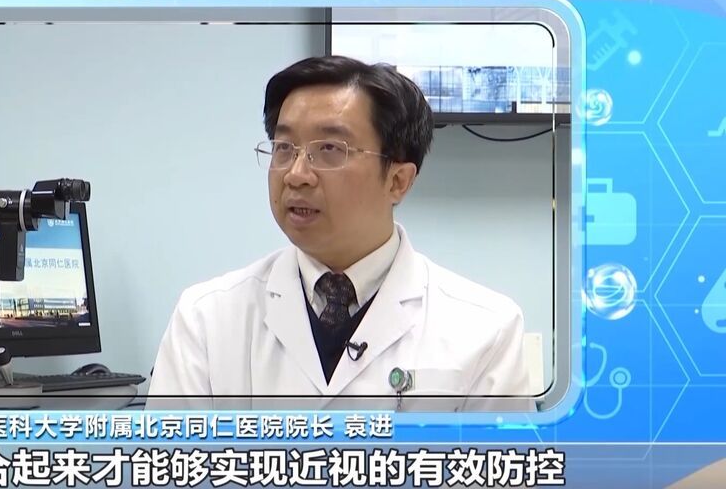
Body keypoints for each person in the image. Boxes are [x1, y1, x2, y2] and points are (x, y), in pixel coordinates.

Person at [146, 55, 534, 411]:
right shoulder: (206, 318)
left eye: (330, 148)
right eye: (284, 147)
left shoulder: (486, 329)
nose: (296, 174)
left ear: (398, 180)